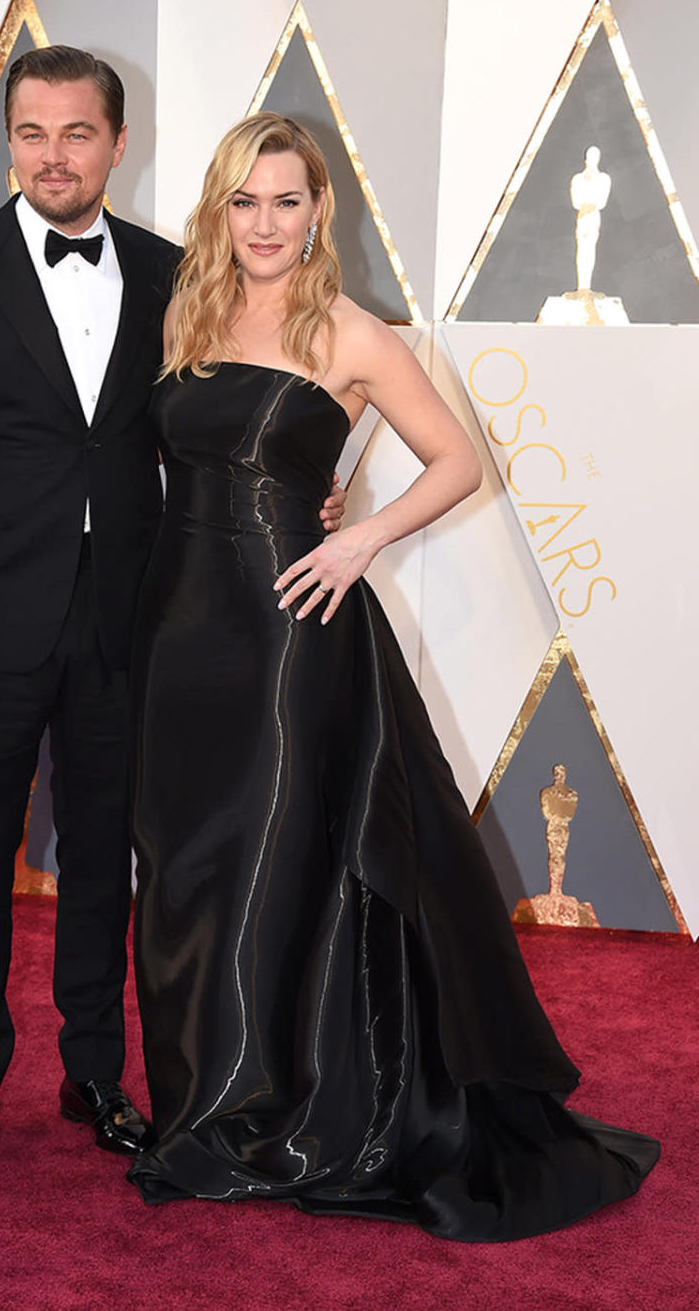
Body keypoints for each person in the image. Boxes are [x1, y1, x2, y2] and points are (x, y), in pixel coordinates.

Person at [126, 113, 659, 1239]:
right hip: (180, 630)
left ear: (320, 208)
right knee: (185, 871)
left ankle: (260, 1116)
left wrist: (361, 536)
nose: (266, 223)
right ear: (221, 208)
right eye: (245, 201)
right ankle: (202, 1104)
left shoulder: (352, 332)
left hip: (286, 629)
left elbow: (459, 458)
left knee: (272, 864)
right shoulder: (189, 307)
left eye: (287, 200)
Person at [0, 48, 344, 1177]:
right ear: (9, 142)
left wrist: (313, 486)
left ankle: (94, 1074)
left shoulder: (175, 271)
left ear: (115, 144)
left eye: (76, 133)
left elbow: (225, 410)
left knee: (105, 862)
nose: (53, 155)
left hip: (133, 617)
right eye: (32, 133)